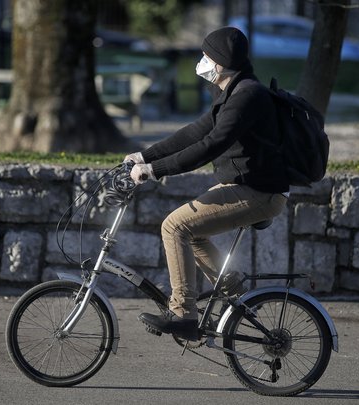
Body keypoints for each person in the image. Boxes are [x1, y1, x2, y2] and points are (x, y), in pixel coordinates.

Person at [123, 27, 289, 341]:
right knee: (192, 233)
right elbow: (195, 131)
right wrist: (144, 155)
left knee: (174, 227)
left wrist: (154, 170)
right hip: (244, 185)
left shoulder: (247, 95)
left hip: (259, 192)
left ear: (222, 62)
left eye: (206, 56)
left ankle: (184, 314)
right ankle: (235, 294)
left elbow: (210, 145)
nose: (202, 62)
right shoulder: (231, 92)